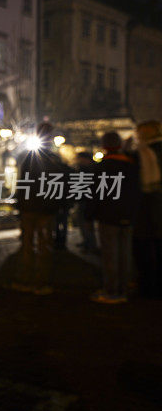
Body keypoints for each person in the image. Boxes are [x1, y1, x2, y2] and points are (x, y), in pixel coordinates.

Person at [14, 123, 65, 295]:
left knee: (29, 245)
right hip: (44, 209)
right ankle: (40, 282)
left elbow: (23, 183)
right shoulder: (52, 159)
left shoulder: (30, 157)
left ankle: (28, 280)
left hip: (33, 208)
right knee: (42, 246)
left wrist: (20, 204)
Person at [91, 131, 139, 304]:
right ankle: (124, 288)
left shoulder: (103, 166)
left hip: (108, 216)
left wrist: (90, 214)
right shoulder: (132, 165)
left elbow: (96, 194)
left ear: (104, 146)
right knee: (125, 253)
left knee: (110, 254)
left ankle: (112, 290)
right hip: (128, 215)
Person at [133, 120, 162, 298]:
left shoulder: (143, 153)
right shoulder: (143, 151)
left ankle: (148, 285)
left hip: (147, 207)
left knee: (144, 246)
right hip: (151, 206)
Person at [73, 151, 98, 254]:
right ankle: (87, 242)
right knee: (84, 223)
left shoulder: (87, 170)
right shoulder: (89, 169)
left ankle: (90, 245)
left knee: (86, 223)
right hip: (85, 199)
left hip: (87, 200)